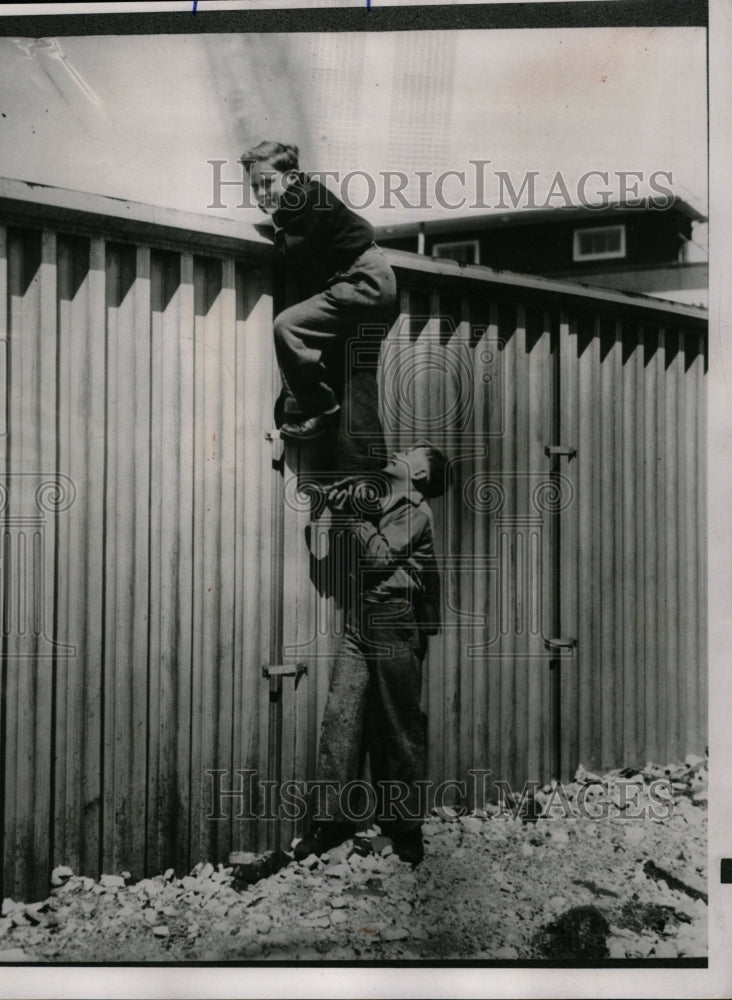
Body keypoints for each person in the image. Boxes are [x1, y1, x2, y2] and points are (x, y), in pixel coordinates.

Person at [293, 442, 447, 866]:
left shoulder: (416, 511)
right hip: (362, 621)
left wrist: (355, 515)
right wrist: (342, 505)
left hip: (394, 623)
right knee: (340, 719)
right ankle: (330, 822)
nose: (402, 451)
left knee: (399, 728)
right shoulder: (384, 497)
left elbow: (378, 557)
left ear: (419, 476)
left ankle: (406, 829)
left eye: (412, 453)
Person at [240, 141, 397, 441]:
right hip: (373, 281)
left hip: (362, 281)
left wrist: (274, 218)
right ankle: (361, 469)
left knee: (287, 326)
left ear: (292, 176)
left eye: (268, 182)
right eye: (255, 186)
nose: (261, 193)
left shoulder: (303, 199)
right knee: (356, 377)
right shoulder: (308, 196)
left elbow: (290, 249)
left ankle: (322, 411)